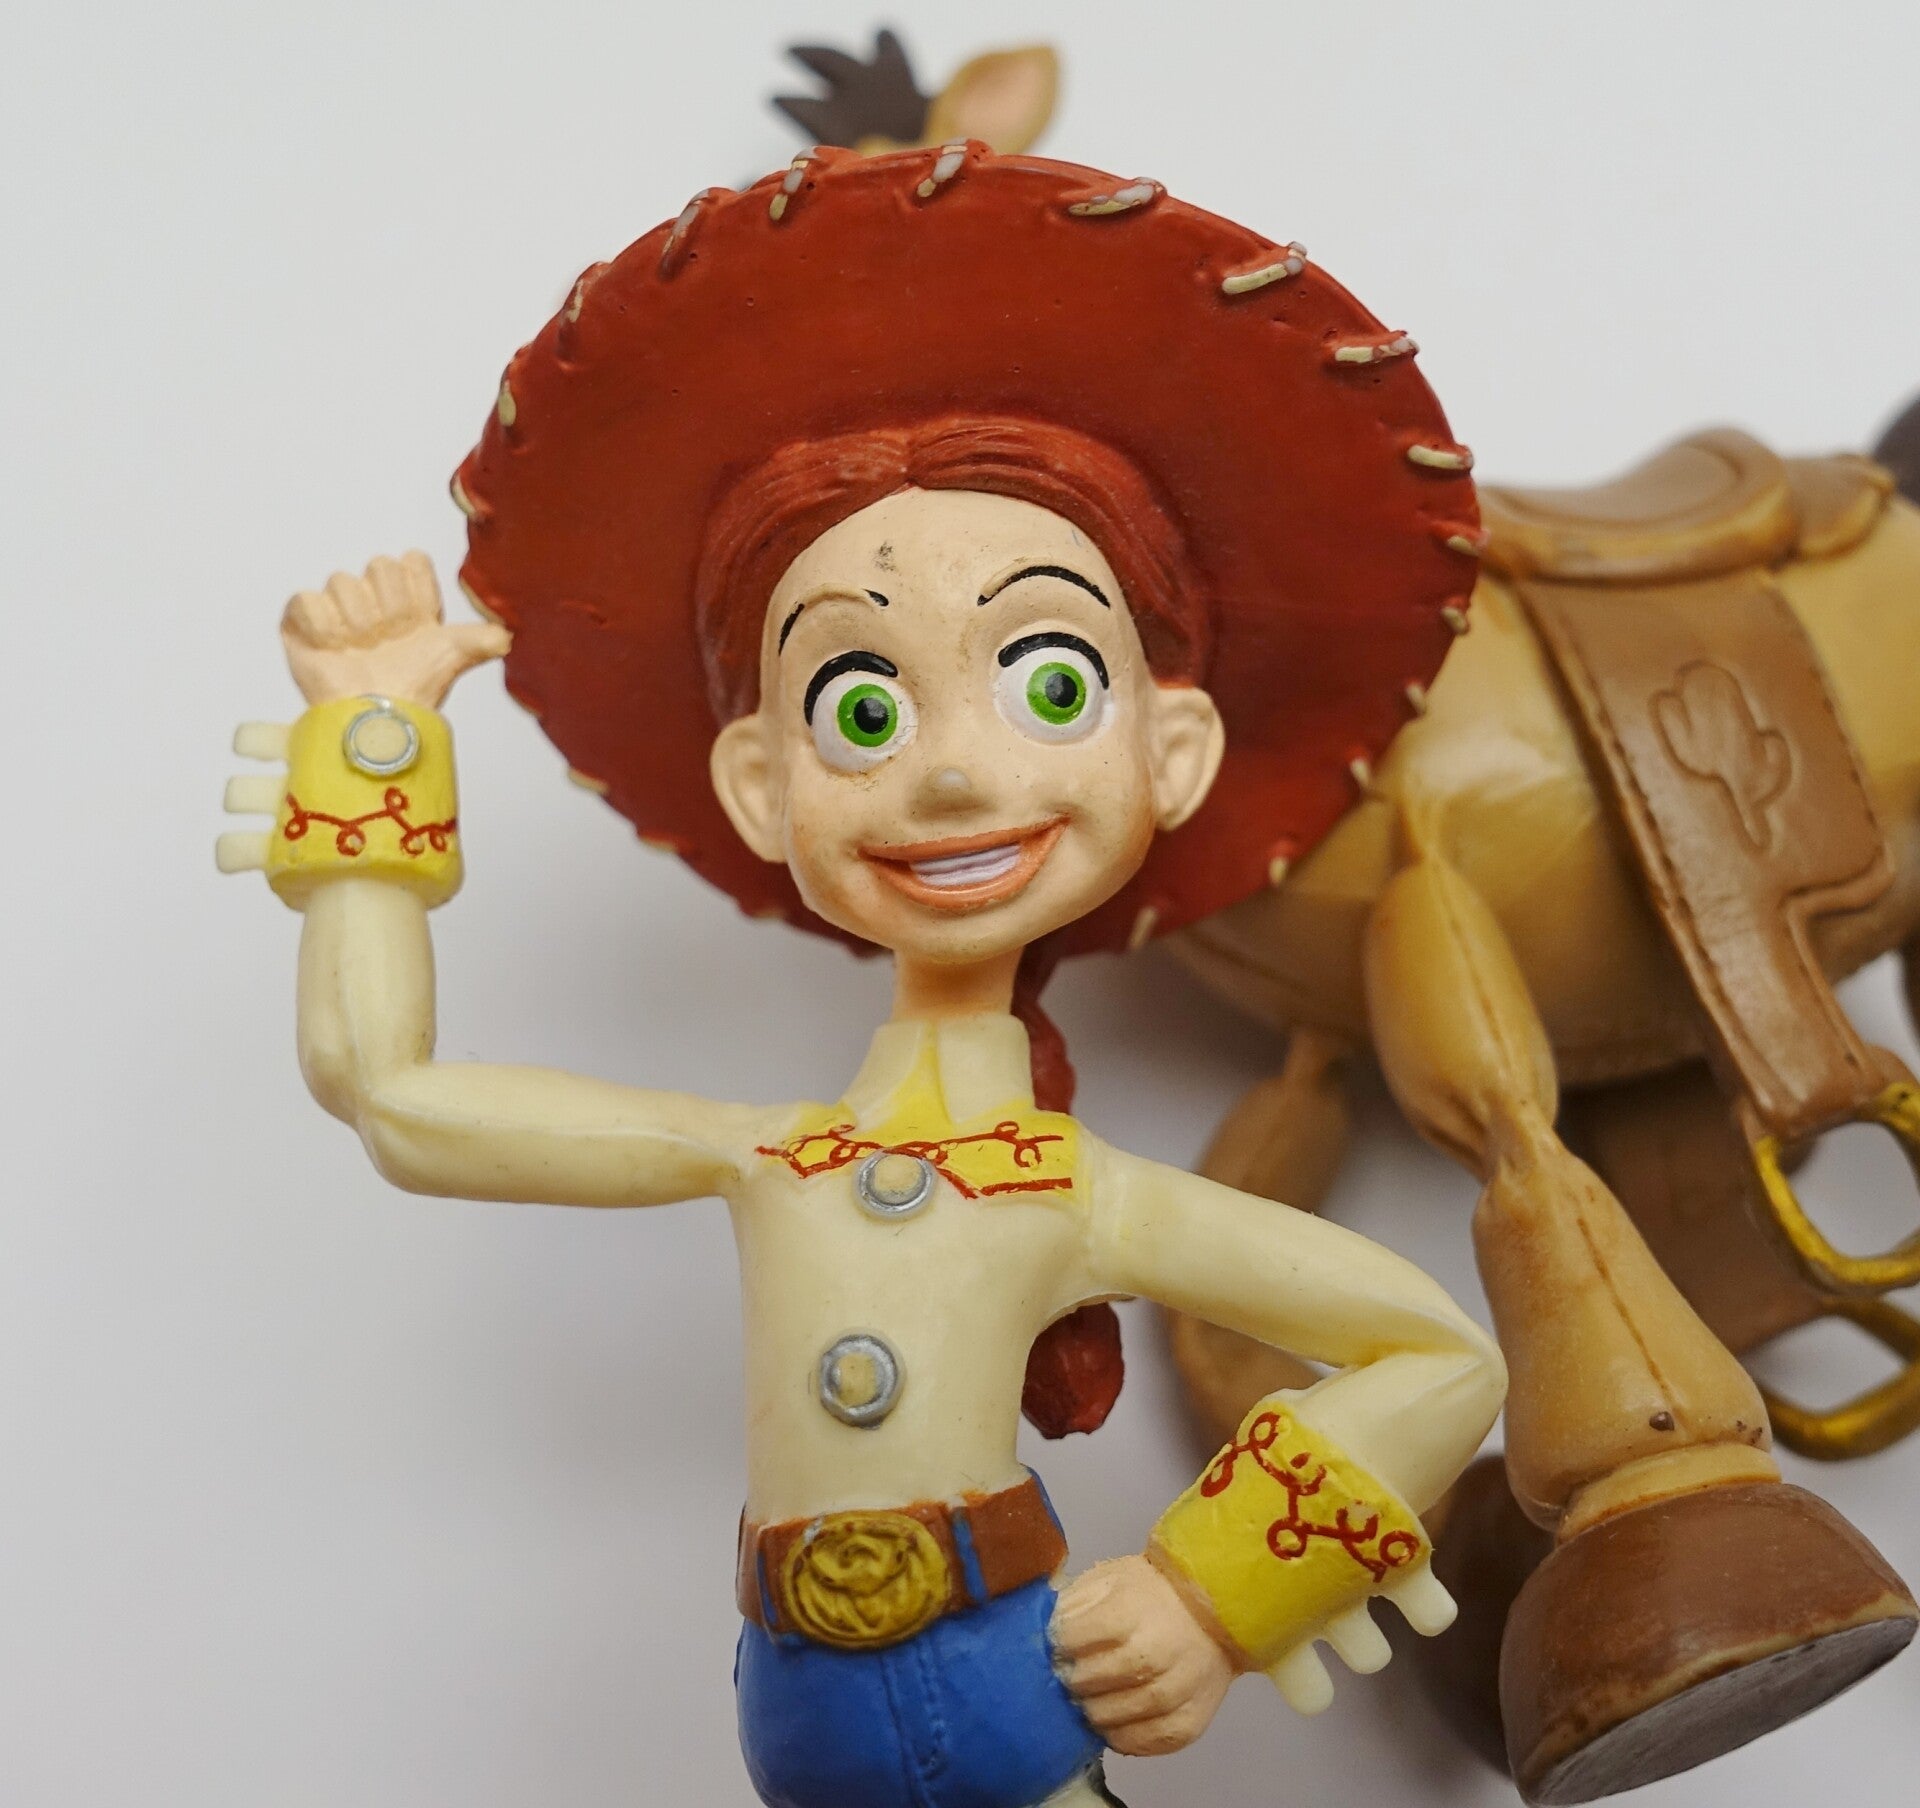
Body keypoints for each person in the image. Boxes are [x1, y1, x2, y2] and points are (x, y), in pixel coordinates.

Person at [220, 143, 1504, 1808]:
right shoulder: (766, 1156)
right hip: (793, 1713)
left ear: (1169, 748)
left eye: (1049, 688)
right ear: (764, 785)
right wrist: (371, 731)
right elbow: (387, 1093)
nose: (953, 775)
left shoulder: (1073, 1195)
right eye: (865, 710)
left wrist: (1209, 1602)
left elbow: (1439, 1358)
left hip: (1009, 1690)